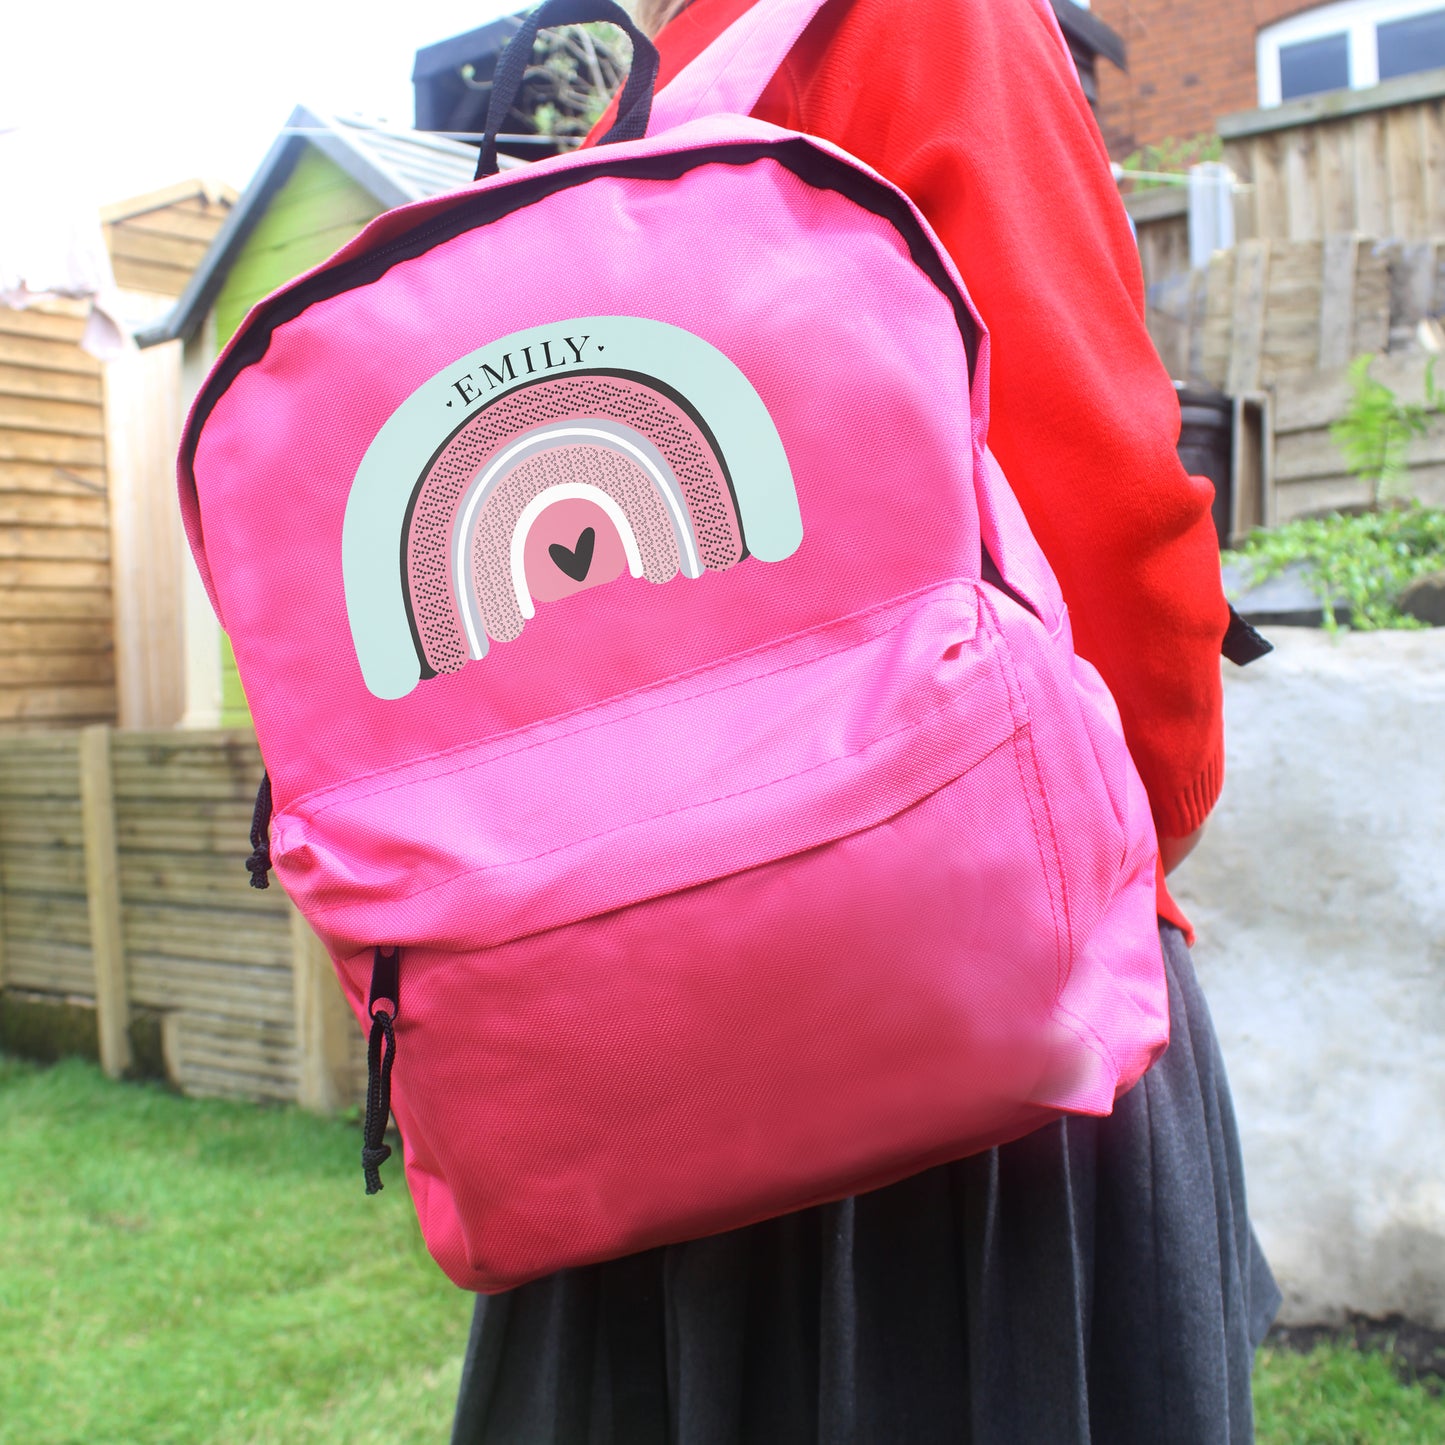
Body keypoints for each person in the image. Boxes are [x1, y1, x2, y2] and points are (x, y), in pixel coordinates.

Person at [452, 1, 1280, 1439]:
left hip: (645, 1066)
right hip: (985, 1035)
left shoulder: (631, 128)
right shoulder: (927, 22)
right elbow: (1101, 519)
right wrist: (1146, 819)